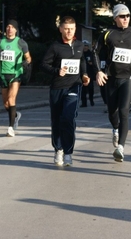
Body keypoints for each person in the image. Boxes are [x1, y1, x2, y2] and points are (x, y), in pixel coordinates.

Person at [93, 4, 131, 162]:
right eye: (122, 16)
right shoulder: (107, 34)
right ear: (115, 18)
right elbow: (95, 52)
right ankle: (115, 129)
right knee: (112, 112)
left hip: (128, 79)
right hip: (110, 79)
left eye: (128, 16)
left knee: (124, 111)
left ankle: (121, 148)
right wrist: (99, 71)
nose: (125, 19)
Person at [40, 16, 90, 166]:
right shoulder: (55, 47)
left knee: (68, 118)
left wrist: (85, 75)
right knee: (57, 121)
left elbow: (82, 61)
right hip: (57, 88)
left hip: (74, 86)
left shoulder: (80, 45)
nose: (69, 32)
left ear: (75, 29)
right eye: (66, 29)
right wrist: (56, 71)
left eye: (72, 29)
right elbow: (43, 64)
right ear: (61, 29)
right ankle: (58, 149)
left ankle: (68, 152)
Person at [0, 20, 32, 137]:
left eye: (12, 27)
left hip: (16, 74)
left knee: (11, 99)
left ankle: (10, 128)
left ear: (16, 30)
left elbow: (29, 58)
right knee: (6, 103)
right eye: (8, 27)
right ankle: (15, 115)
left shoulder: (21, 43)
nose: (10, 29)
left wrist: (25, 62)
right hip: (3, 74)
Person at [80, 40, 95, 107]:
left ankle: (91, 100)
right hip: (82, 74)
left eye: (86, 46)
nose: (85, 47)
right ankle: (84, 103)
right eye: (84, 46)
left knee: (90, 88)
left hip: (90, 73)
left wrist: (92, 64)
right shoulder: (80, 54)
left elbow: (95, 63)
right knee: (83, 89)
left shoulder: (91, 54)